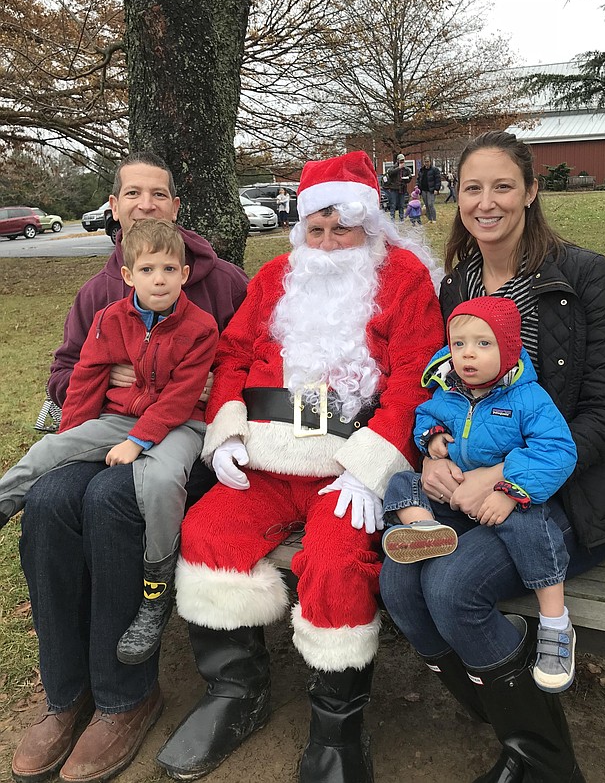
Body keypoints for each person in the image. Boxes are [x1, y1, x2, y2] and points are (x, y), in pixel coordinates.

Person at [154, 150, 445, 783]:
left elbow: (416, 383)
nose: (329, 242)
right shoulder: (274, 278)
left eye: (343, 228)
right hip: (267, 456)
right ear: (301, 229)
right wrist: (227, 431)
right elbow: (232, 356)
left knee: (338, 563)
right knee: (207, 532)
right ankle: (236, 693)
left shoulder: (403, 281)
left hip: (347, 461)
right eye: (317, 229)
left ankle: (336, 730)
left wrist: (372, 466)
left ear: (369, 225)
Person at [379, 130, 605, 782]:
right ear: (456, 196)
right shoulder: (459, 284)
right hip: (473, 490)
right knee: (397, 583)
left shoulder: (582, 276)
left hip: (566, 495)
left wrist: (503, 473)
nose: (486, 201)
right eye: (473, 187)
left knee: (451, 585)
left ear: (530, 191)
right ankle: (499, 700)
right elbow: (447, 392)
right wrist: (435, 448)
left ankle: (541, 758)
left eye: (503, 185)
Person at [11, 152, 248, 783]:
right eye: (132, 194)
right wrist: (103, 386)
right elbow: (66, 371)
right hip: (109, 426)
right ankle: (67, 690)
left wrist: (188, 388)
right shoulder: (100, 291)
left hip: (185, 442)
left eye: (159, 193)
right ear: (114, 208)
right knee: (52, 499)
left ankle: (125, 693)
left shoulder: (219, 282)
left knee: (111, 499)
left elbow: (248, 361)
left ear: (176, 205)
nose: (146, 203)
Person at [0, 220, 219, 664]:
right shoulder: (109, 319)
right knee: (47, 452)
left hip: (182, 426)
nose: (159, 279)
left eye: (169, 269)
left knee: (159, 482)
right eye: (147, 269)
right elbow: (85, 379)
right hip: (119, 417)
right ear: (127, 274)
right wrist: (72, 435)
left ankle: (156, 588)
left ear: (183, 274)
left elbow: (180, 398)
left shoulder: (201, 327)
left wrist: (140, 442)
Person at [382, 295, 579, 692]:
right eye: (459, 344)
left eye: (483, 344)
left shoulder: (527, 398)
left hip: (507, 496)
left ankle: (556, 623)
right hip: (454, 499)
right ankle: (423, 532)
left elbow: (557, 450)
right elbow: (427, 416)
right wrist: (432, 439)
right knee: (402, 483)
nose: (468, 354)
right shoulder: (449, 391)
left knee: (529, 527)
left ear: (507, 349)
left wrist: (509, 489)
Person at [385, 152, 412, 221]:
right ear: (398, 160)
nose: (402, 162)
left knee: (401, 205)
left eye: (403, 160)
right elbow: (390, 173)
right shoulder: (393, 168)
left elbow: (409, 178)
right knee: (393, 205)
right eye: (401, 160)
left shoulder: (406, 169)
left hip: (402, 189)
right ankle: (392, 219)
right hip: (394, 189)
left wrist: (407, 178)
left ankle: (401, 219)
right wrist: (398, 168)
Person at [417, 154, 441, 223]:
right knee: (426, 205)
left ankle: (434, 219)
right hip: (423, 190)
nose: (426, 163)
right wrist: (418, 189)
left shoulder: (435, 170)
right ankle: (429, 219)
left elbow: (438, 180)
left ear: (430, 162)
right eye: (425, 162)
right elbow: (418, 180)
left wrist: (437, 189)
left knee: (431, 204)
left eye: (427, 161)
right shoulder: (422, 170)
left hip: (431, 190)